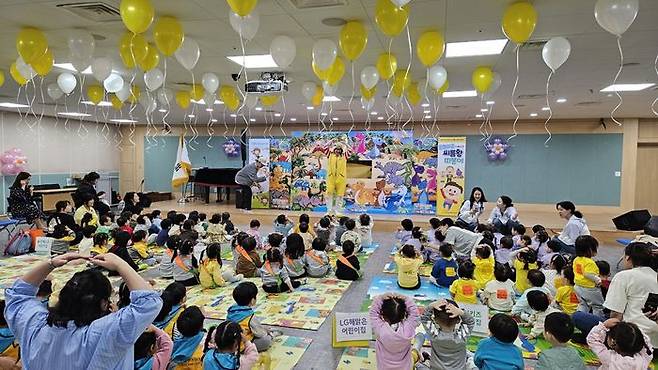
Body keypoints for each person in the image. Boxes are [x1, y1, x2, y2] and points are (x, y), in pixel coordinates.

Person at [4, 252, 161, 369]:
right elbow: (149, 301)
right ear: (103, 303)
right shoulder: (108, 331)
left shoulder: (35, 325)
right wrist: (121, 264)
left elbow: (18, 294)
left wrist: (50, 263)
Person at [604, 242, 658, 348]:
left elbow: (615, 315)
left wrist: (611, 337)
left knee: (580, 317)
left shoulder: (623, 276)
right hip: (655, 343)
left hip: (631, 341)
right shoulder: (655, 275)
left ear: (628, 257)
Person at [369, 293, 422, 370]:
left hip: (383, 367)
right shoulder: (409, 328)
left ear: (382, 314)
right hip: (406, 367)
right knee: (420, 337)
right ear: (404, 314)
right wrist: (406, 298)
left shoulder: (380, 329)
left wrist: (380, 298)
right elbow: (415, 314)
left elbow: (373, 313)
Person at [420, 299, 475, 370]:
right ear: (458, 320)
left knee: (419, 365)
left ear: (435, 320)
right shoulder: (461, 336)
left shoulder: (434, 334)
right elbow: (470, 321)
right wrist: (461, 312)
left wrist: (431, 305)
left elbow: (424, 318)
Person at [227, 282, 278, 352]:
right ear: (252, 300)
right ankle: (272, 335)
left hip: (229, 344)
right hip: (241, 345)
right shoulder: (250, 316)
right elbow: (260, 334)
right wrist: (266, 332)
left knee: (259, 328)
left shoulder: (231, 310)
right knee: (266, 341)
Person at [586, 318, 653, 370]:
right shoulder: (644, 358)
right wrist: (634, 330)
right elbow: (647, 343)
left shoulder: (609, 358)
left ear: (613, 342)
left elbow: (592, 339)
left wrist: (603, 325)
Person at [573, 235, 604, 317]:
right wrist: (598, 280)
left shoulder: (576, 259)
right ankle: (599, 322)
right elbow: (588, 274)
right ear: (590, 250)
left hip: (578, 286)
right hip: (589, 288)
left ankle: (580, 319)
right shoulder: (590, 262)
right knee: (597, 306)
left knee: (583, 305)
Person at [326, 143, 349, 214]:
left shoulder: (344, 156)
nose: (338, 151)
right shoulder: (330, 155)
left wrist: (344, 143)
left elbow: (350, 150)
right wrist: (331, 142)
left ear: (341, 150)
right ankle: (329, 210)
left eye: (339, 150)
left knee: (340, 195)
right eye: (336, 149)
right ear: (334, 150)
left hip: (341, 178)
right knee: (329, 194)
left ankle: (338, 210)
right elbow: (325, 147)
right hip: (331, 178)